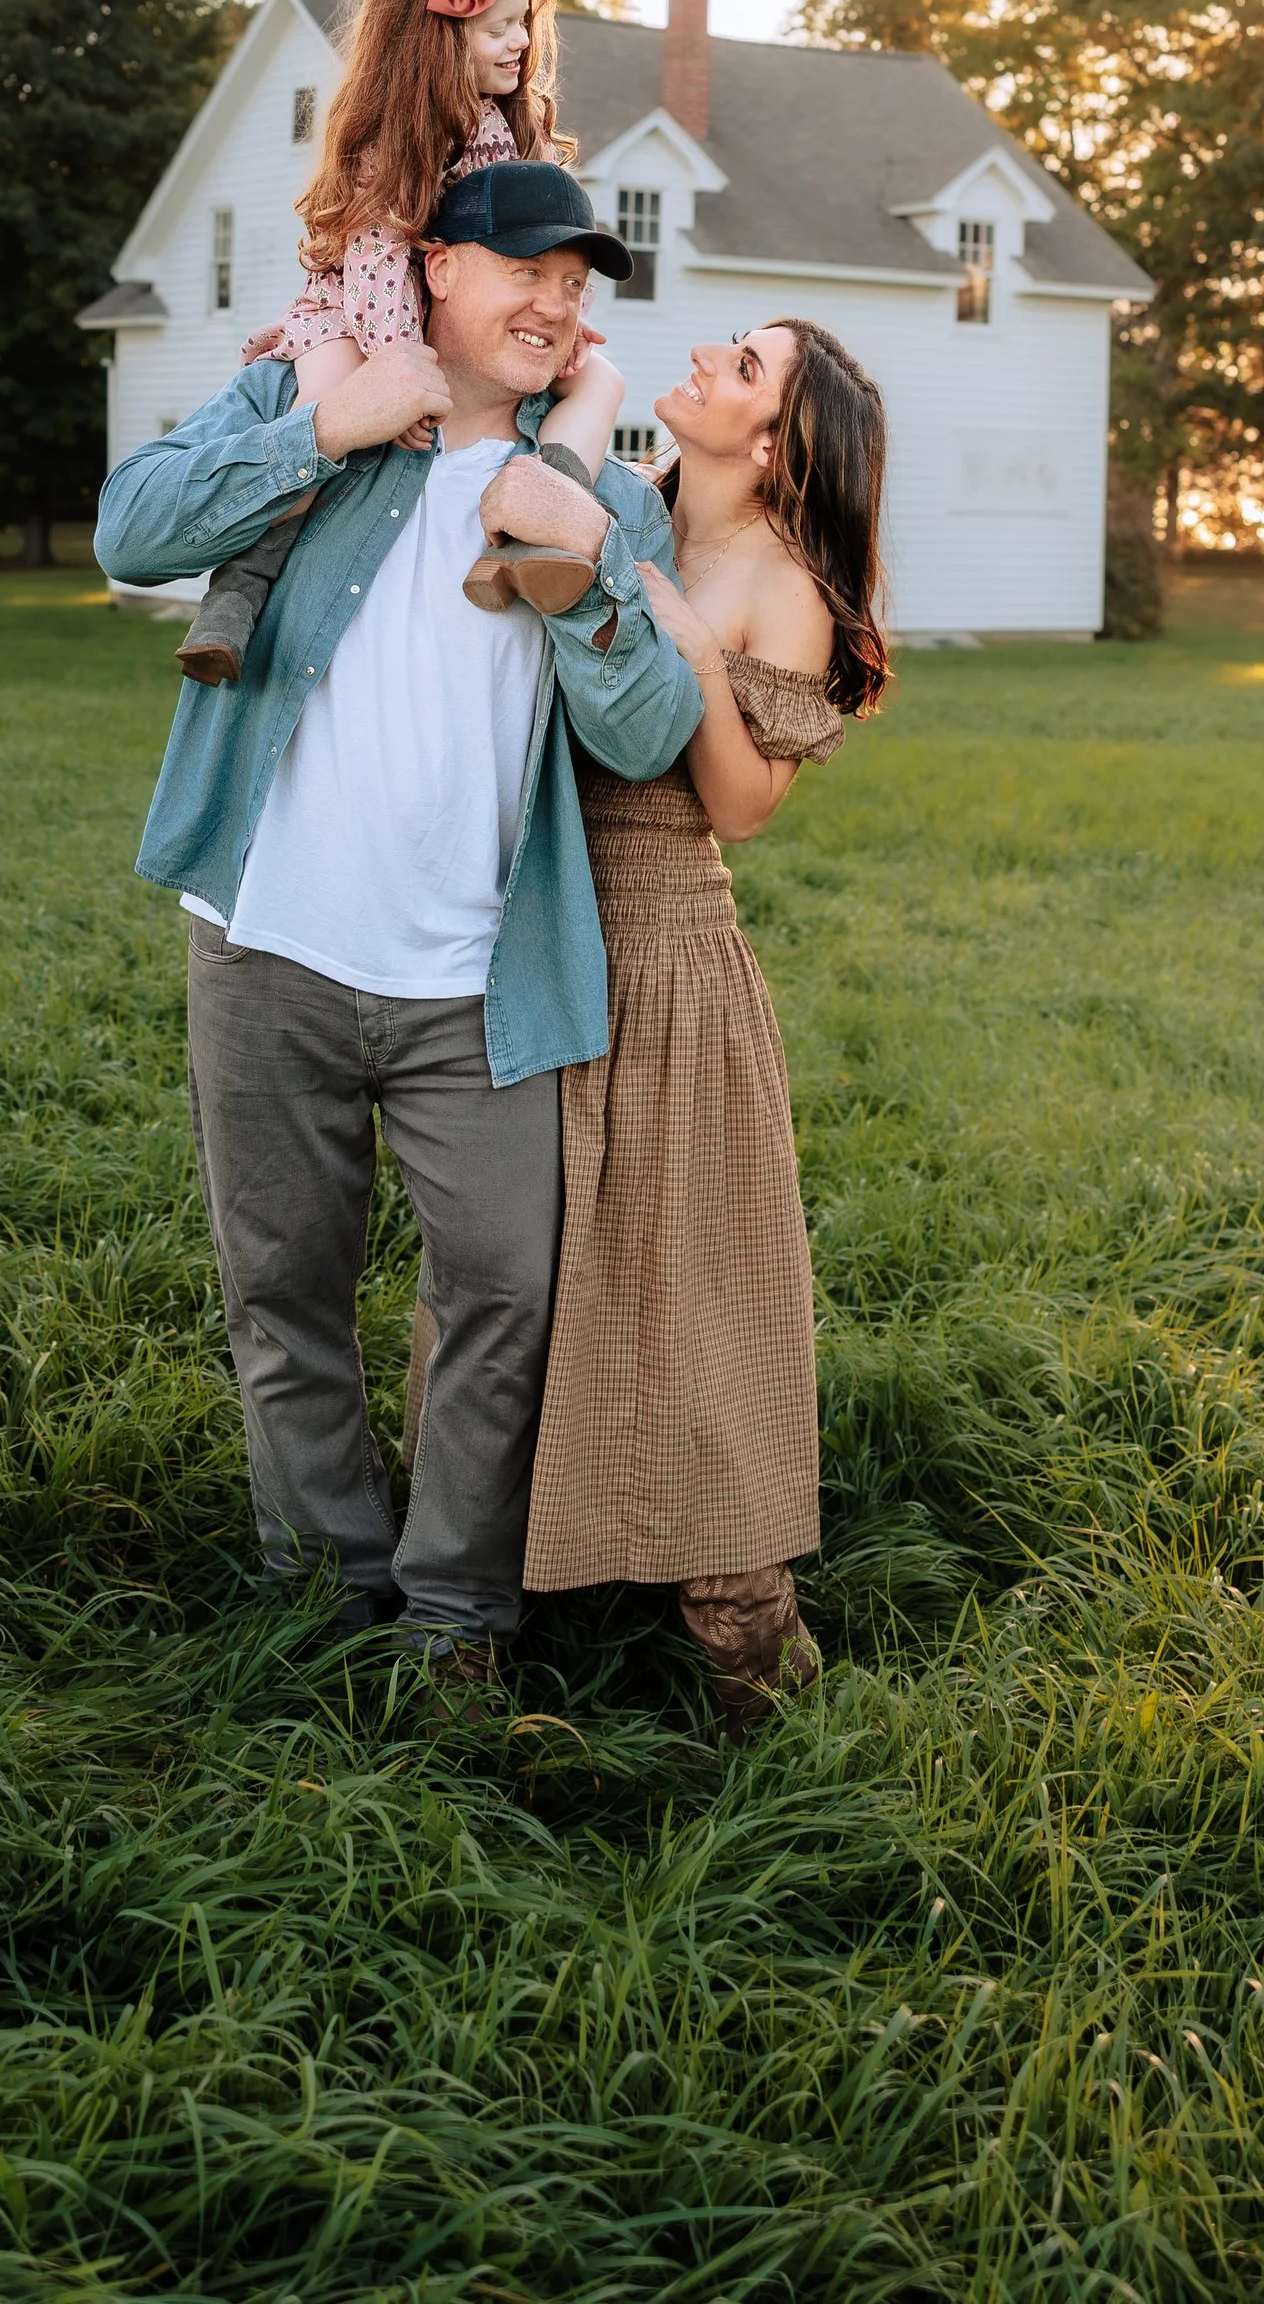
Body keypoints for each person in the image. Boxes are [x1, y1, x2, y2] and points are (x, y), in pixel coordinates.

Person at [96, 158, 703, 1686]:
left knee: (503, 1289)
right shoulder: (323, 400)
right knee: (283, 1292)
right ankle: (324, 1592)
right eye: (529, 275)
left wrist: (563, 545)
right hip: (272, 944)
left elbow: (643, 730)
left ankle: (451, 1621)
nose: (558, 309)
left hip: (478, 981)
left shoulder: (602, 489)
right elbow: (132, 527)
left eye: (579, 290)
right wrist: (327, 424)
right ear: (435, 263)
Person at [520, 318, 890, 1734]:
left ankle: (741, 1619)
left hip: (665, 936)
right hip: (539, 907)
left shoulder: (777, 583)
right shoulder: (621, 498)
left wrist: (679, 630)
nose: (708, 361)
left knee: (680, 1274)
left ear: (778, 439)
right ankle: (531, 1575)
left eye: (743, 367)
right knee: (530, 1261)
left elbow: (743, 807)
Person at [173, 0, 625, 683]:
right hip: (359, 316)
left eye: (524, 23)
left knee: (602, 384)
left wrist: (562, 318)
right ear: (437, 40)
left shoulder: (513, 132)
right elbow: (377, 265)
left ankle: (529, 539)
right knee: (323, 413)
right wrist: (397, 377)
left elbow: (546, 240)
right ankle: (236, 596)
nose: (520, 43)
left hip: (452, 322)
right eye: (498, 28)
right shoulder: (394, 142)